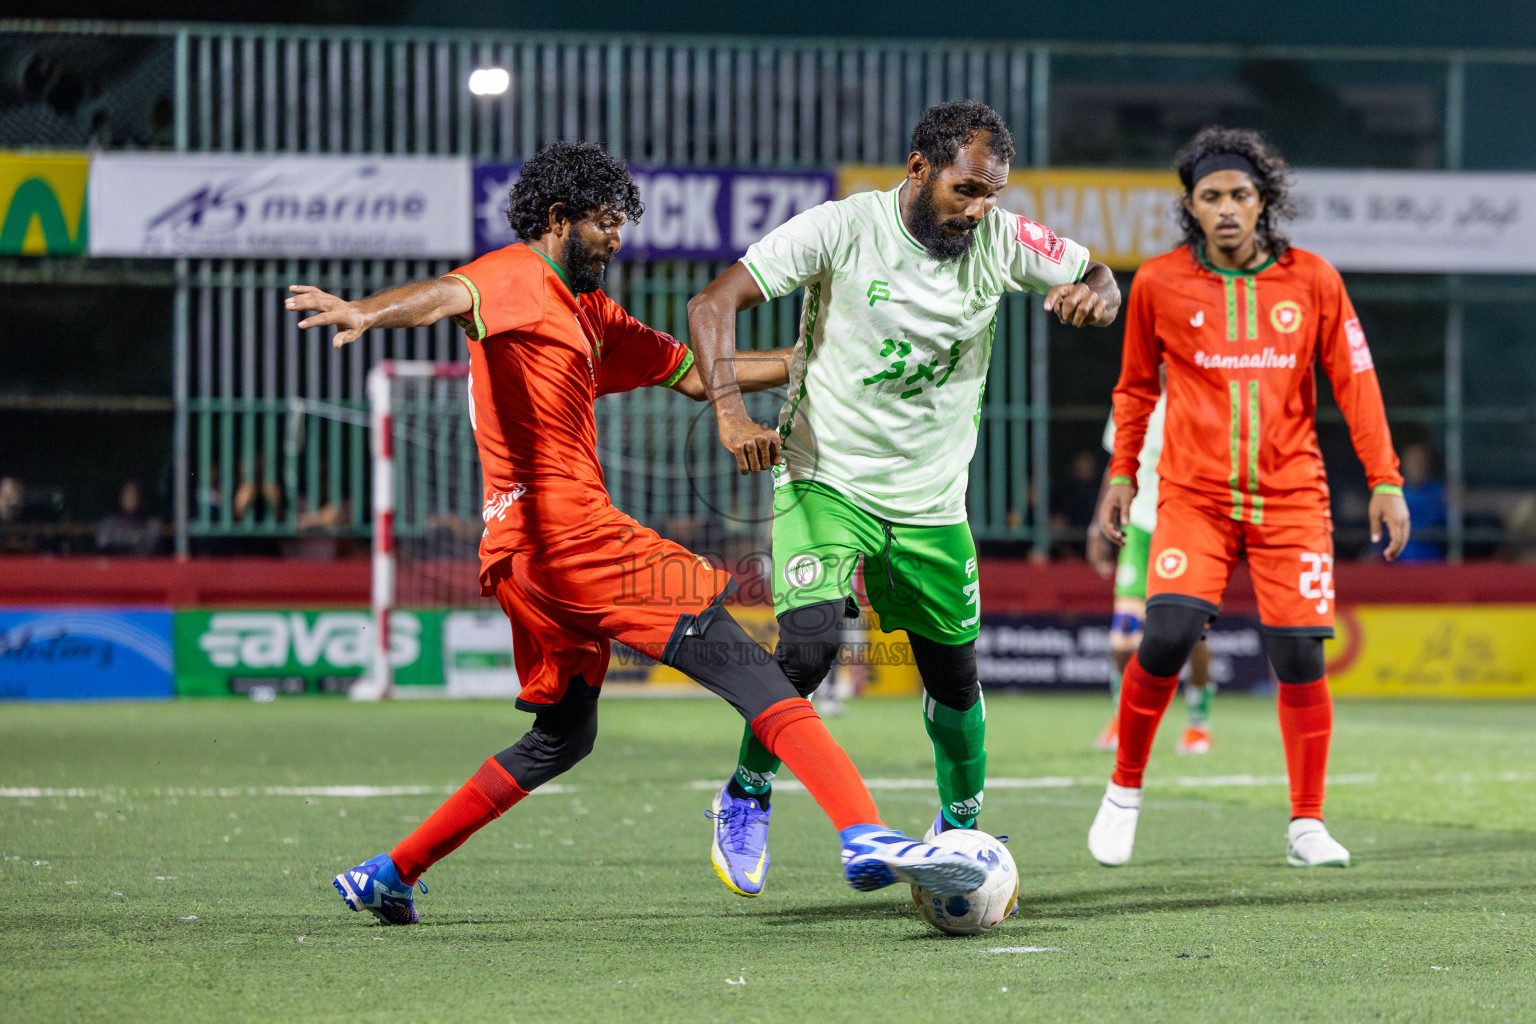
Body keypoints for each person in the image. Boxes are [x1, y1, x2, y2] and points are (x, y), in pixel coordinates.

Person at [288, 140, 988, 926]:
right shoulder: (514, 275)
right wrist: (367, 311)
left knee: (561, 740)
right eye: (605, 222)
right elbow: (446, 295)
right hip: (574, 539)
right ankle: (862, 833)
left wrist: (817, 362)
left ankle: (391, 873)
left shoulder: (590, 316)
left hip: (520, 563)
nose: (618, 238)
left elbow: (695, 373)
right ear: (559, 219)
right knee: (753, 671)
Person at [687, 99, 1121, 897]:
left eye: (991, 193)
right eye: (966, 190)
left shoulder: (1002, 239)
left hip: (932, 501)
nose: (979, 209)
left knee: (953, 678)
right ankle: (746, 792)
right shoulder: (842, 228)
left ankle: (959, 826)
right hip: (824, 477)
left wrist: (1097, 293)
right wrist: (730, 413)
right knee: (810, 647)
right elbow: (712, 304)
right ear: (919, 168)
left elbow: (1097, 274)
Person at [1087, 127, 1410, 870]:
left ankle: (1306, 824)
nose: (1227, 208)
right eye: (1211, 197)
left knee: (1298, 656)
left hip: (1291, 498)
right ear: (1192, 207)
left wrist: (1385, 480)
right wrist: (1123, 473)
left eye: (1240, 194)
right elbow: (1135, 389)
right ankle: (1124, 791)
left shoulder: (1314, 280)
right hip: (1194, 498)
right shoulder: (1159, 283)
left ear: (1265, 201)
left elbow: (1357, 384)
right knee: (1166, 634)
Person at [1087, 386, 1215, 755]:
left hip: (1185, 527)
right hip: (1140, 529)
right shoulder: (1129, 398)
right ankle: (1121, 718)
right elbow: (1117, 463)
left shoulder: (1199, 394)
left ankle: (1198, 725)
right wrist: (1097, 524)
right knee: (1124, 635)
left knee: (1194, 636)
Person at [96, 479, 163, 556]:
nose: (129, 498)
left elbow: (148, 551)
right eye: (125, 495)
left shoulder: (152, 525)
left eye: (133, 495)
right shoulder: (109, 524)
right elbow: (102, 548)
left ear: (140, 498)